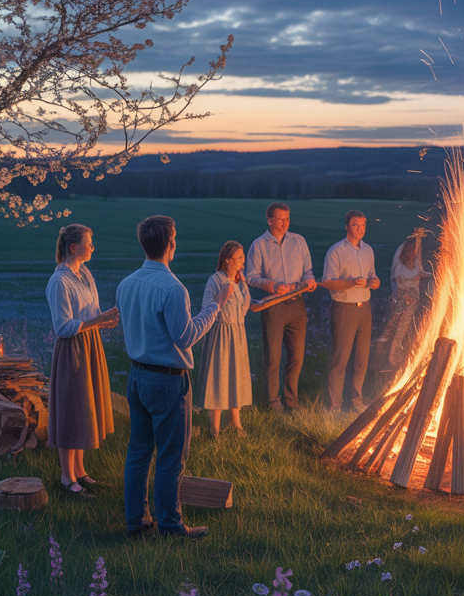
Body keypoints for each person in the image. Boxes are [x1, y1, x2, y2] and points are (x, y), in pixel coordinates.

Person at [117, 215, 221, 539]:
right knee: (171, 458)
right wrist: (212, 309)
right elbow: (186, 336)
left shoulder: (127, 283)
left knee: (138, 452)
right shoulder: (173, 289)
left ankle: (136, 520)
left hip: (136, 376)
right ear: (170, 243)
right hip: (166, 381)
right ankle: (171, 526)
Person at [45, 224, 119, 498]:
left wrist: (103, 321)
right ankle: (66, 477)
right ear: (73, 247)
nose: (93, 247)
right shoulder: (59, 282)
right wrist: (96, 321)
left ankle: (80, 470)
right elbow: (62, 327)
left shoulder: (84, 274)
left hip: (90, 345)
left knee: (84, 407)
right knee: (71, 410)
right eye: (89, 243)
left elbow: (91, 311)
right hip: (72, 350)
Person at [245, 203, 316, 412]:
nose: (285, 222)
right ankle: (273, 403)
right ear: (269, 220)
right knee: (273, 357)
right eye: (281, 218)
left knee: (297, 356)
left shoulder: (299, 241)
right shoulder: (258, 245)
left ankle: (291, 401)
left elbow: (308, 270)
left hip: (297, 305)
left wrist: (309, 281)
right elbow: (250, 276)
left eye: (288, 218)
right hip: (273, 306)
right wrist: (273, 286)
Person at [320, 210, 380, 412]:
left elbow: (373, 275)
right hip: (344, 308)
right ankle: (335, 404)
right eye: (355, 225)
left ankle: (356, 400)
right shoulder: (336, 251)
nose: (360, 229)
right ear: (347, 226)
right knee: (341, 358)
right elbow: (328, 281)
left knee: (362, 358)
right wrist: (351, 283)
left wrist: (375, 282)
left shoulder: (368, 250)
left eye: (363, 225)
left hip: (365, 308)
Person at [197, 240, 252, 438]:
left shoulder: (239, 281)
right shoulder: (216, 280)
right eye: (238, 258)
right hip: (220, 333)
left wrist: (243, 283)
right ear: (227, 260)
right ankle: (214, 429)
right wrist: (221, 298)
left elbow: (245, 307)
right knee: (218, 377)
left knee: (235, 375)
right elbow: (207, 307)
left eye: (243, 258)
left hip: (237, 333)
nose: (242, 262)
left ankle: (235, 423)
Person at [374, 227, 429, 369]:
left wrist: (418, 239)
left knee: (402, 331)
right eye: (411, 250)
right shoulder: (400, 267)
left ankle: (394, 360)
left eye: (414, 250)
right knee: (389, 329)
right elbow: (403, 277)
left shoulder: (416, 264)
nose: (414, 252)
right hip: (400, 301)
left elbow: (419, 268)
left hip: (412, 302)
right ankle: (377, 359)